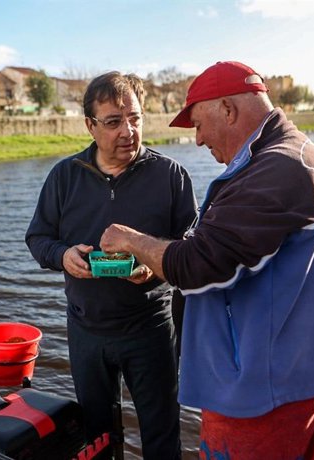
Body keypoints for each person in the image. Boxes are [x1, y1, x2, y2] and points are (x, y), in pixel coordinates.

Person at [100, 61, 314, 459]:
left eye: (200, 124)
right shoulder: (276, 157)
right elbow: (222, 248)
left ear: (228, 109)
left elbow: (200, 262)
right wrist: (161, 261)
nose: (199, 140)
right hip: (274, 378)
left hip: (264, 390)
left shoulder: (280, 167)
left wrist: (131, 240)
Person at [25, 71, 197, 459]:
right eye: (114, 122)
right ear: (90, 125)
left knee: (161, 433)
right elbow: (38, 238)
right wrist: (63, 256)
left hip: (150, 329)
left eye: (135, 118)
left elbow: (191, 247)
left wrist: (155, 265)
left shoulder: (171, 175)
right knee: (97, 437)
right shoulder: (64, 176)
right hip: (86, 331)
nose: (128, 132)